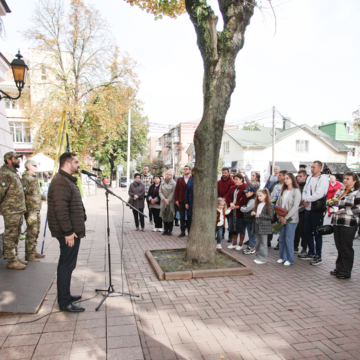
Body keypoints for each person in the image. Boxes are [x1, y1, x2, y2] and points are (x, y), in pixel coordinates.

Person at [47, 152, 86, 312]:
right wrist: (68, 232)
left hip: (71, 231)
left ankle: (66, 295)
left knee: (68, 265)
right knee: (66, 265)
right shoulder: (60, 182)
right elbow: (61, 210)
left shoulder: (66, 180)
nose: (78, 165)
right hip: (67, 233)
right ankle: (64, 302)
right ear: (67, 163)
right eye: (76, 162)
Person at [330, 172, 360, 279]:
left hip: (348, 222)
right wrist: (331, 204)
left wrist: (342, 210)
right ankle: (339, 267)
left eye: (348, 179)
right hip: (337, 221)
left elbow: (357, 208)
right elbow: (334, 201)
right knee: (339, 246)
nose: (345, 180)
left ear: (354, 181)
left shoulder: (357, 192)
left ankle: (346, 271)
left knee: (346, 247)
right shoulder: (341, 190)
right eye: (345, 178)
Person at [0, 151, 27, 270]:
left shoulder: (13, 173)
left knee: (16, 234)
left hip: (17, 209)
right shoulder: (5, 174)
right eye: (16, 158)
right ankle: (11, 260)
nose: (18, 160)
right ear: (8, 160)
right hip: (10, 210)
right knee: (10, 235)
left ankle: (14, 257)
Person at [299, 161, 329, 265]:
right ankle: (310, 252)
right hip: (308, 209)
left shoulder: (323, 179)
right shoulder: (310, 178)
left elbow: (320, 193)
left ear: (319, 168)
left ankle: (318, 255)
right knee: (307, 231)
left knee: (317, 232)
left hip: (317, 209)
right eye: (311, 167)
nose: (312, 169)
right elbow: (305, 190)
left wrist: (307, 200)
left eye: (314, 167)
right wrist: (304, 199)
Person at [21, 159, 46, 262]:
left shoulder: (33, 178)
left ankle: (33, 250)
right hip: (30, 209)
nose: (37, 167)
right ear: (28, 167)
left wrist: (45, 197)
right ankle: (29, 254)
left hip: (35, 208)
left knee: (35, 231)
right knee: (31, 231)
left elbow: (36, 193)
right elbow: (22, 193)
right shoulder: (26, 178)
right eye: (35, 165)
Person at [276, 173, 301, 266]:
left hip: (291, 219)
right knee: (281, 238)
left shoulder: (296, 191)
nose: (285, 180)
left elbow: (295, 206)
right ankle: (282, 257)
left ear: (292, 179)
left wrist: (286, 217)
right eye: (285, 178)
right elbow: (278, 204)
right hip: (282, 217)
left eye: (287, 178)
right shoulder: (283, 191)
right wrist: (280, 216)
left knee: (288, 239)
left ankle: (290, 259)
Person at [225, 173, 247, 250]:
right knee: (233, 227)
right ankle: (234, 243)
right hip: (232, 211)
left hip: (240, 211)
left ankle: (240, 244)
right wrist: (230, 203)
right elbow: (227, 196)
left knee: (240, 228)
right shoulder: (233, 188)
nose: (235, 181)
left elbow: (244, 199)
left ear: (241, 179)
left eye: (237, 179)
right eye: (234, 179)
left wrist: (237, 205)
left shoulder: (245, 187)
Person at [251, 189, 274, 264]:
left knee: (263, 242)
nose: (259, 197)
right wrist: (254, 213)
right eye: (258, 196)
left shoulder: (269, 205)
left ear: (265, 195)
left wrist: (259, 215)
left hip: (264, 226)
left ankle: (263, 258)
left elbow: (270, 216)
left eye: (260, 196)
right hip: (257, 224)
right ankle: (258, 256)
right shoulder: (258, 204)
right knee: (257, 241)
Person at [269, 170, 287, 250]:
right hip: (273, 206)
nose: (278, 176)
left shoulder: (286, 186)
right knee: (271, 223)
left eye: (280, 175)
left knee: (281, 224)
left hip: (281, 208)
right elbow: (271, 194)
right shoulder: (275, 184)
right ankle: (268, 241)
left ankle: (280, 243)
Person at [218, 167, 235, 242]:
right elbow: (217, 191)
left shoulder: (232, 182)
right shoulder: (219, 182)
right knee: (221, 219)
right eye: (223, 172)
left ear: (228, 173)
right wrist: (219, 200)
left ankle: (230, 236)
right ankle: (221, 235)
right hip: (220, 203)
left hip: (228, 203)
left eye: (225, 172)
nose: (224, 174)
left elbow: (230, 193)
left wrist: (224, 200)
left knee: (229, 220)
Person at [175, 165, 192, 237]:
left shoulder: (192, 178)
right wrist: (176, 200)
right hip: (181, 200)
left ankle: (189, 231)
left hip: (189, 201)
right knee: (182, 217)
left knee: (189, 217)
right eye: (184, 169)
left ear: (190, 170)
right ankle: (182, 231)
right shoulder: (179, 179)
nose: (185, 170)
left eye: (187, 169)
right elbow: (176, 190)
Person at [295, 170, 308, 255]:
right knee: (296, 229)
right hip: (296, 210)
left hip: (303, 210)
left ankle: (304, 247)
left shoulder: (307, 186)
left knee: (303, 230)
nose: (298, 178)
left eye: (300, 176)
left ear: (305, 177)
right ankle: (294, 246)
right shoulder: (296, 186)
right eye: (298, 176)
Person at [159, 170, 176, 235]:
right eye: (167, 174)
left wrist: (168, 200)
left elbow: (174, 192)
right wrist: (164, 199)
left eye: (169, 174)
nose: (168, 175)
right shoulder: (162, 182)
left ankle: (170, 230)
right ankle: (165, 230)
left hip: (170, 201)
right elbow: (160, 192)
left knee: (170, 215)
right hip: (163, 202)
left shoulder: (174, 183)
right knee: (164, 215)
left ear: (171, 176)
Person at [241, 186, 256, 254]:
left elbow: (246, 209)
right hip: (248, 219)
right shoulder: (249, 199)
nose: (246, 194)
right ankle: (251, 246)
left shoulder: (252, 200)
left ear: (252, 192)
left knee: (251, 234)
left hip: (251, 220)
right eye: (245, 193)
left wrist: (241, 208)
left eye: (247, 192)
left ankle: (252, 247)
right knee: (250, 234)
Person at [185, 167, 194, 233]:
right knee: (189, 217)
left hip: (198, 203)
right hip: (190, 201)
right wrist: (186, 203)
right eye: (193, 171)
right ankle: (189, 232)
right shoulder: (190, 180)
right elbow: (186, 192)